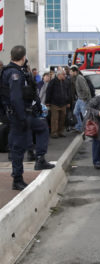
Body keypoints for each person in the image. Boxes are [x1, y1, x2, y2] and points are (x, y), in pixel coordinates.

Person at [0, 46, 54, 190]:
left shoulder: (19, 72)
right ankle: (17, 179)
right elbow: (16, 98)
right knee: (18, 147)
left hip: (26, 113)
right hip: (19, 116)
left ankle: (40, 159)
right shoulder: (13, 74)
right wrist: (22, 117)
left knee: (42, 128)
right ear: (23, 57)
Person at [46, 68, 70, 138]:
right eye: (63, 74)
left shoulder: (65, 82)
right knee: (55, 119)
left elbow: (67, 92)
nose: (65, 76)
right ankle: (54, 133)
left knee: (62, 119)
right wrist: (47, 101)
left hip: (63, 103)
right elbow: (48, 91)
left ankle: (60, 131)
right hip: (55, 103)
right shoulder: (53, 81)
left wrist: (68, 102)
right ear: (59, 75)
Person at [71, 66, 91, 132]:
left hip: (83, 99)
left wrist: (84, 98)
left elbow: (85, 89)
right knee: (75, 112)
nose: (70, 73)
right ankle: (79, 126)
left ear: (75, 72)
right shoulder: (75, 78)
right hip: (80, 98)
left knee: (84, 114)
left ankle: (86, 128)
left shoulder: (79, 78)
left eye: (71, 71)